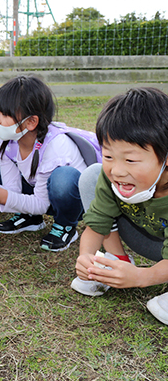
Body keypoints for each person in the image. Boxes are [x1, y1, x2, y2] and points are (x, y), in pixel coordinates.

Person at [71, 87, 168, 325]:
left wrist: (142, 278)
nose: (117, 170)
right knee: (92, 175)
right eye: (108, 156)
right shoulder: (112, 176)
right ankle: (117, 261)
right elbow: (96, 226)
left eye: (130, 159)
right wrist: (87, 258)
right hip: (150, 240)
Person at [0, 75, 101, 251]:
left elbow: (42, 204)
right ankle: (29, 218)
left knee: (64, 177)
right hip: (43, 193)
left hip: (74, 201)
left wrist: (2, 196)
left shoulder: (55, 147)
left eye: (5, 114)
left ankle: (66, 225)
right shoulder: (8, 142)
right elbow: (13, 190)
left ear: (31, 122)